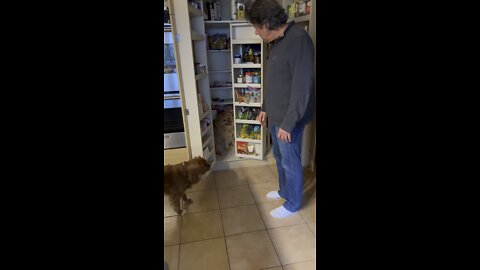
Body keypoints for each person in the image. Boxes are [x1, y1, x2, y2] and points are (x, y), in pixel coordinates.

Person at [245, 0, 315, 218]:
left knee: (290, 161)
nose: (256, 33)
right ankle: (285, 191)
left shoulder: (298, 40)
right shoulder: (277, 42)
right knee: (279, 157)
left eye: (256, 28)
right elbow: (276, 80)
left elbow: (302, 87)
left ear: (266, 24)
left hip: (289, 119)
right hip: (276, 115)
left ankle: (293, 203)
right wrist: (265, 107)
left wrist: (288, 122)